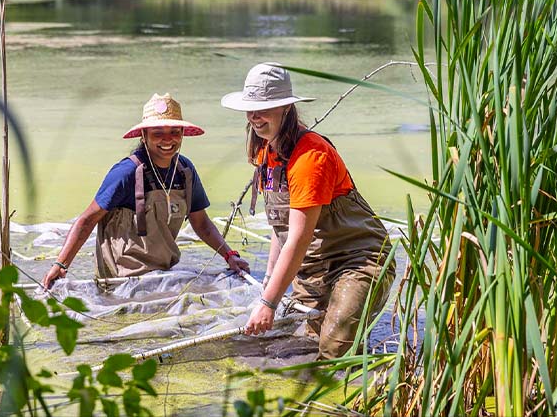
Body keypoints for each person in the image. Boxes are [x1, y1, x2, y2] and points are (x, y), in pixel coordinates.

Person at [221, 63, 395, 359]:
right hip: (314, 267)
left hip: (359, 260)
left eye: (264, 108)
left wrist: (269, 302)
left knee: (333, 347)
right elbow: (281, 226)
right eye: (250, 109)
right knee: (295, 346)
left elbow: (299, 238)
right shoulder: (264, 150)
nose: (254, 117)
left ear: (286, 108)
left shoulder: (310, 157)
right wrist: (270, 279)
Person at [42, 93, 249, 289]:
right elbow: (87, 220)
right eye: (158, 133)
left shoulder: (185, 171)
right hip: (123, 278)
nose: (167, 140)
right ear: (144, 135)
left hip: (164, 271)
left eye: (174, 132)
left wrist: (229, 256)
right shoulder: (126, 173)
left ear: (182, 134)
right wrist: (61, 265)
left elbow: (201, 223)